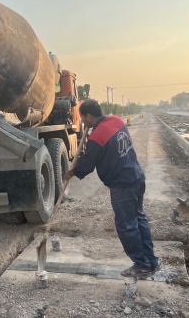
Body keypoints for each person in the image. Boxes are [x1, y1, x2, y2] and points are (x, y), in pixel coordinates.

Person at [65, 100, 159, 278]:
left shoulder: (97, 136)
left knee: (126, 226)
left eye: (83, 118)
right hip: (137, 177)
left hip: (123, 185)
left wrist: (73, 172)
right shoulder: (116, 121)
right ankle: (151, 262)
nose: (83, 122)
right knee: (139, 220)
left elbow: (86, 166)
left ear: (90, 116)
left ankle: (142, 265)